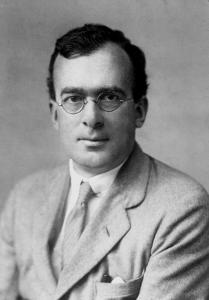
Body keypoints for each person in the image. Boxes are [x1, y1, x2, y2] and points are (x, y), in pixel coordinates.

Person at [0, 23, 209, 300]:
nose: (92, 118)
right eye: (74, 99)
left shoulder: (181, 208)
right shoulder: (23, 199)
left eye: (109, 97)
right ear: (54, 115)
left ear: (138, 111)